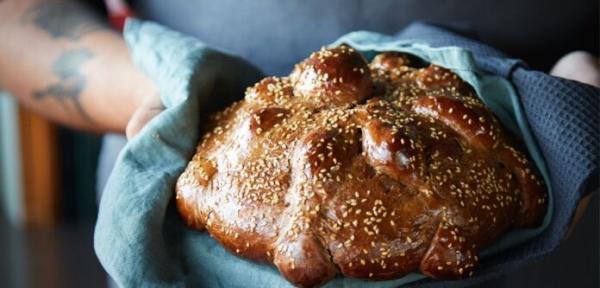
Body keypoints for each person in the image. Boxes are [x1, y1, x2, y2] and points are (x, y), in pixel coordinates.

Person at [0, 0, 598, 286]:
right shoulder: (216, 159)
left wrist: (577, 106)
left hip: (561, 226)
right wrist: (169, 99)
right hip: (192, 171)